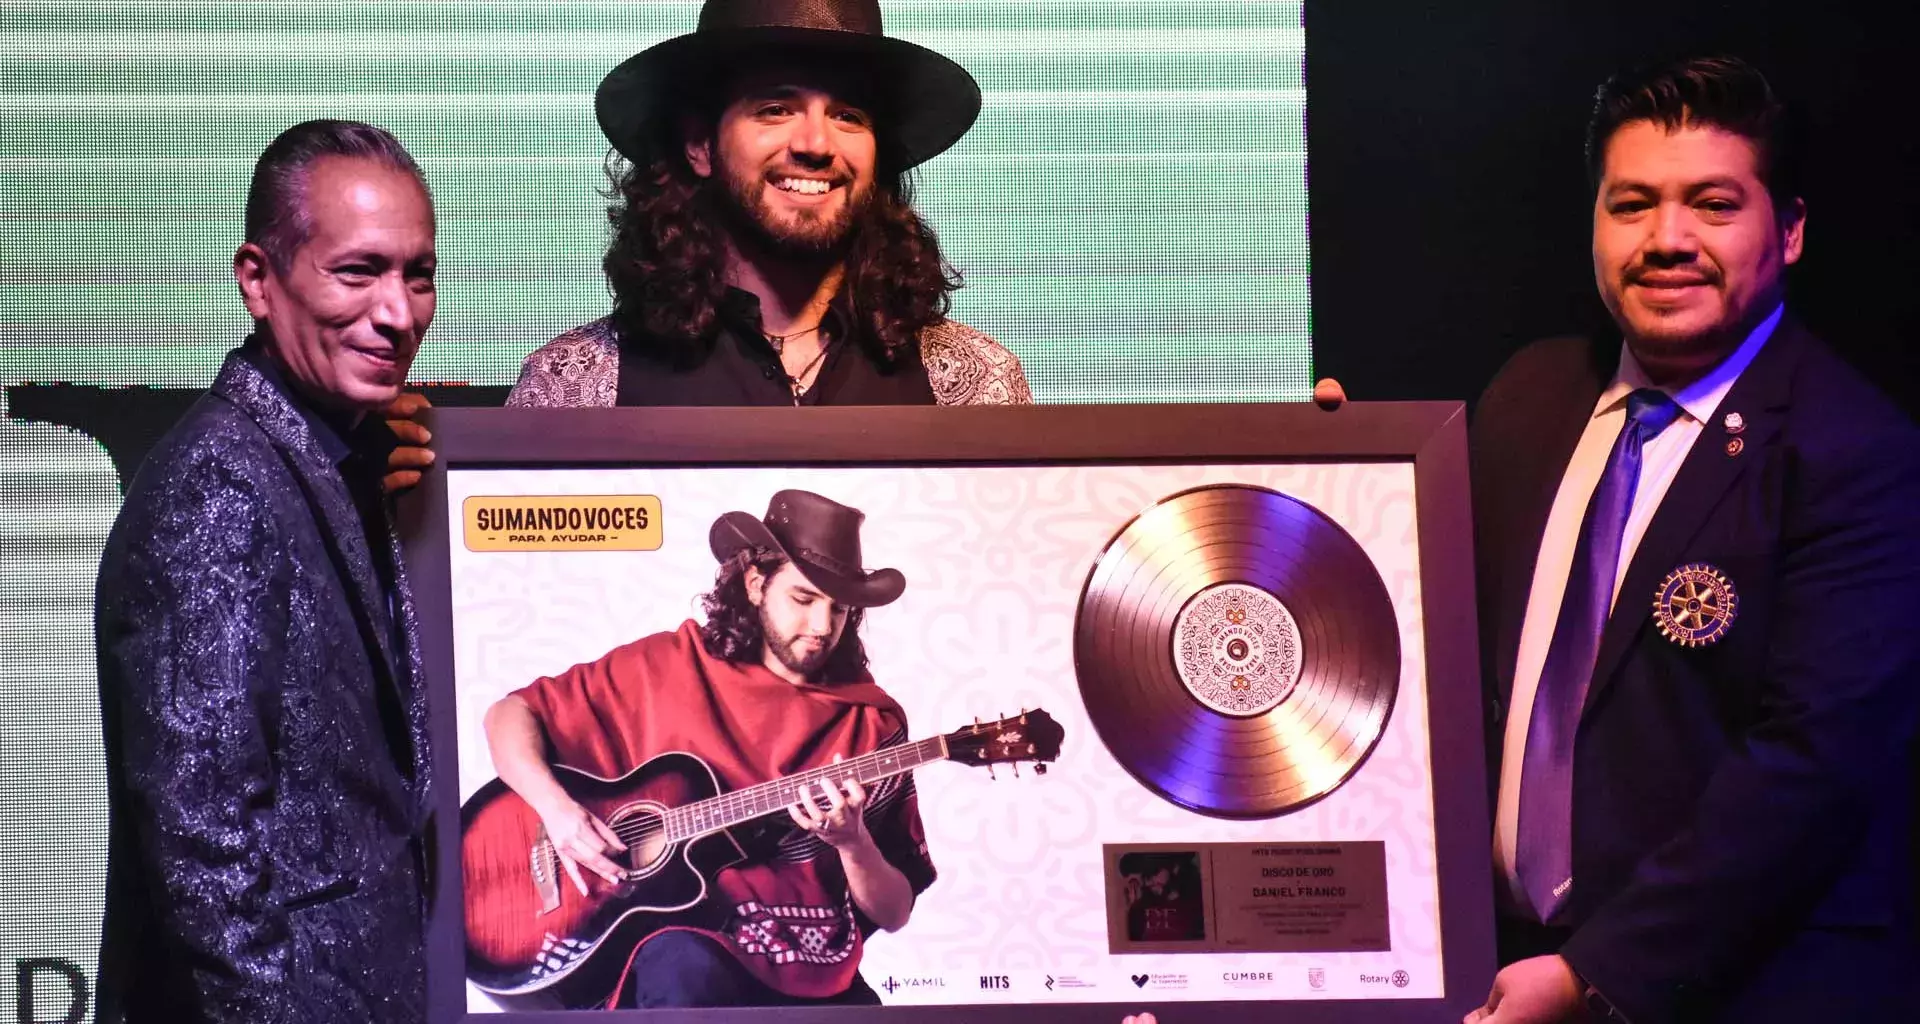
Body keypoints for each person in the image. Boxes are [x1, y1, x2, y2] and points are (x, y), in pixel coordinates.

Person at [1467, 56, 1920, 1023]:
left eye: (1713, 205)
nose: (1667, 240)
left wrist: (1593, 976)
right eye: (1632, 204)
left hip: (1741, 993)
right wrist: (1327, 470)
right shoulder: (1527, 396)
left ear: (1788, 232)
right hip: (1499, 970)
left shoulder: (1858, 452)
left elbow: (1811, 772)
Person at [92, 120, 438, 1023]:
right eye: (358, 271)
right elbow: (203, 848)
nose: (397, 312)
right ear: (258, 279)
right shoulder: (219, 486)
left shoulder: (333, 464)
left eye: (417, 273)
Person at [481, 489, 934, 1008]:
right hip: (669, 945)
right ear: (757, 584)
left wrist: (854, 844)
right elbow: (510, 715)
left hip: (805, 965)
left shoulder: (867, 725)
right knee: (684, 969)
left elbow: (894, 911)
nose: (822, 628)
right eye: (804, 600)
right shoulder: (667, 666)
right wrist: (558, 812)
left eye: (839, 609)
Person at [504, 0, 1032, 409]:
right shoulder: (580, 383)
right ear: (700, 146)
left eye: (848, 115)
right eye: (776, 109)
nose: (817, 144)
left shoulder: (972, 382)